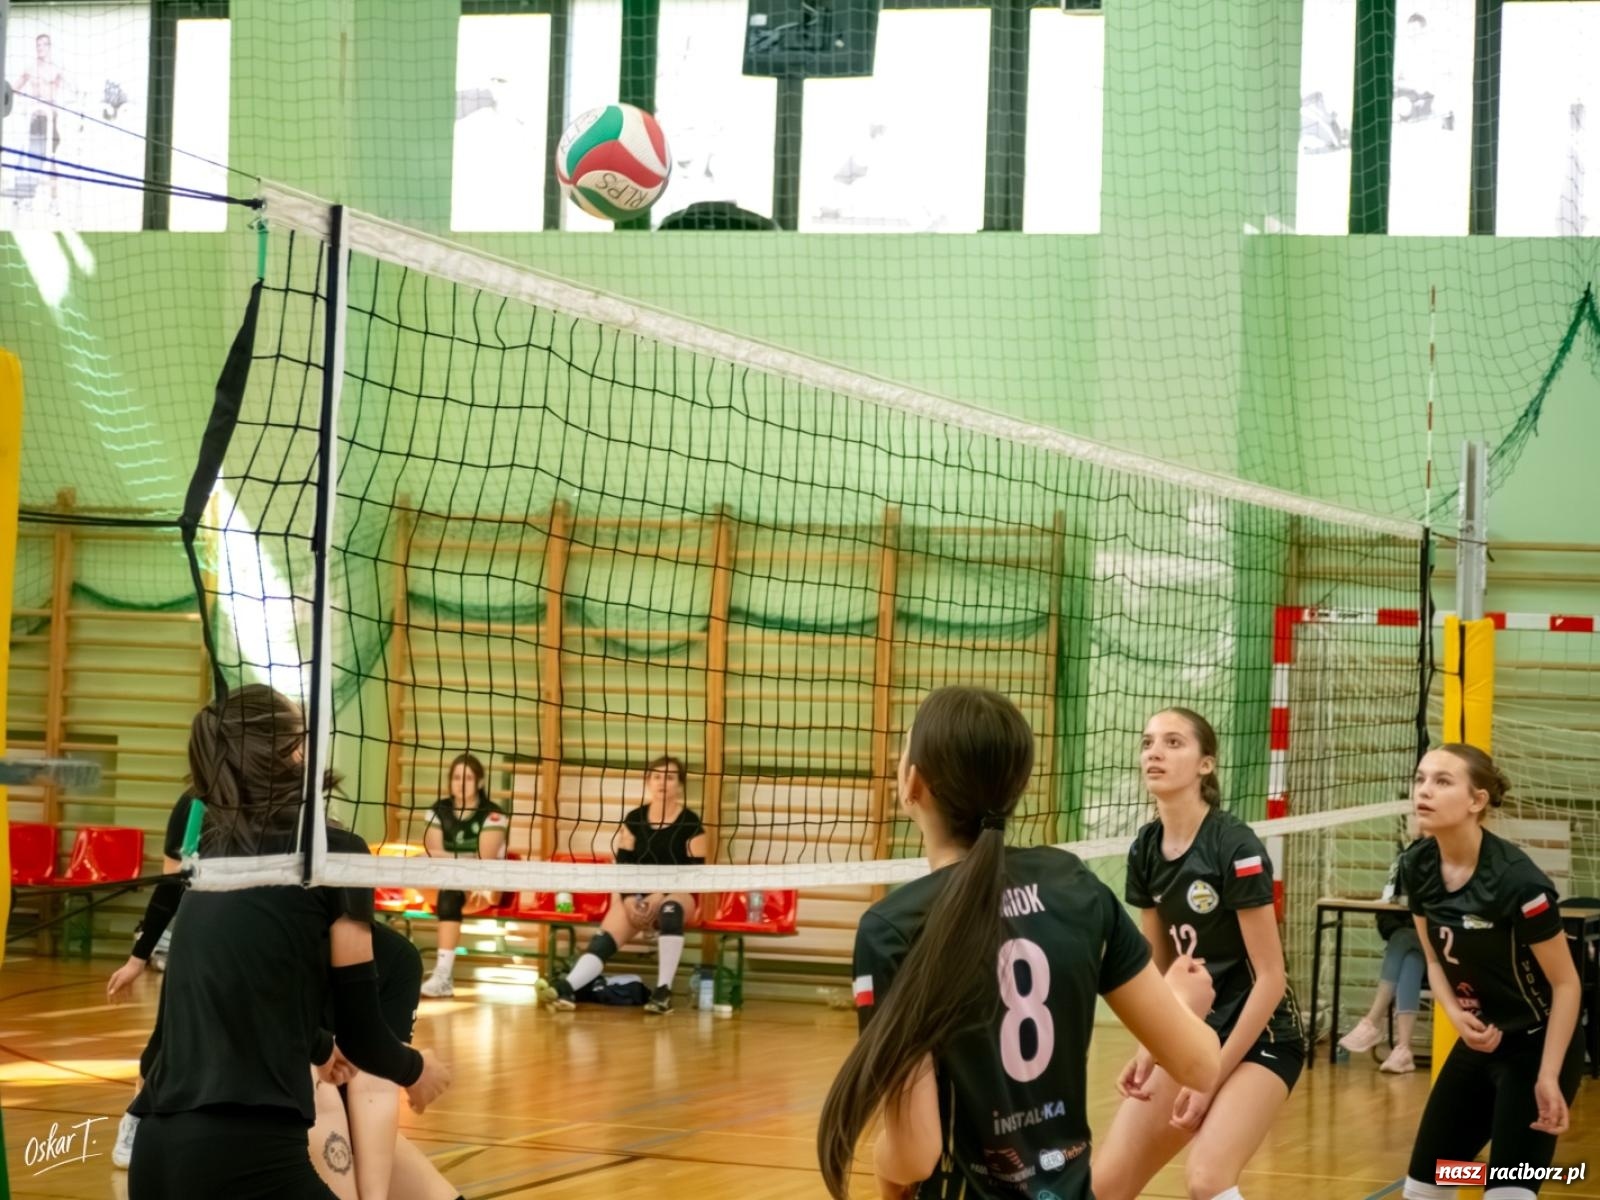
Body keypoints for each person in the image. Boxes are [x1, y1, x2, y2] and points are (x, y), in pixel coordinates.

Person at [816, 687, 1221, 1200]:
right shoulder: (1076, 887)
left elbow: (916, 1155)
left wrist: (881, 1163)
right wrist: (1184, 1000)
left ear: (912, 783)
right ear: (1017, 786)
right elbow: (1199, 1066)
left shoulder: (894, 928)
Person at [127, 684, 452, 1200]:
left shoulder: (213, 858)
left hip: (155, 1153)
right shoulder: (333, 855)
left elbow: (248, 986)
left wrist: (319, 1046)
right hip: (243, 1158)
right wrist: (418, 1071)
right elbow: (364, 1032)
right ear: (292, 753)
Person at [1091, 708, 1304, 1200]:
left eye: (1172, 743)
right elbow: (1158, 970)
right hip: (1194, 1030)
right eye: (1147, 743)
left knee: (1207, 1179)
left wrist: (1211, 1078)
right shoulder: (1145, 849)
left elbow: (1272, 978)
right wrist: (1152, 1046)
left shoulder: (1235, 846)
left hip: (1261, 1034)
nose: (1154, 753)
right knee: (1105, 1185)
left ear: (1206, 764)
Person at [1398, 745, 1582, 1200]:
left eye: (1442, 781)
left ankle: (1511, 1182)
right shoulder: (1416, 865)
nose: (1424, 791)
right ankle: (1498, 1178)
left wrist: (1549, 1075)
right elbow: (1433, 958)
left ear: (1476, 801)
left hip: (1536, 1047)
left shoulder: (1520, 882)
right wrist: (1455, 1015)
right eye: (1420, 779)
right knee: (1426, 1187)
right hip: (1479, 1043)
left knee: (1506, 1194)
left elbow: (1566, 983)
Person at [537, 754, 708, 1015]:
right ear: (648, 782)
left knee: (671, 907)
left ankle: (663, 992)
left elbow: (694, 874)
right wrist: (629, 899)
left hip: (677, 892)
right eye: (657, 776)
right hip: (637, 894)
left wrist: (659, 895)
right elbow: (624, 866)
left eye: (670, 777)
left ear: (680, 785)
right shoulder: (634, 820)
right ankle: (566, 987)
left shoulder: (691, 824)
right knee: (607, 934)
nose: (663, 782)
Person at [309, 920, 462, 1200]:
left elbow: (375, 1087)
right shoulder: (278, 940)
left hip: (339, 1116)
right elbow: (321, 1100)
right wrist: (416, 1070)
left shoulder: (395, 956)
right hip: (271, 1117)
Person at [419, 752, 509, 998]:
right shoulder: (438, 810)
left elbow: (484, 860)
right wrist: (461, 861)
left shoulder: (494, 814)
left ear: (479, 782)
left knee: (450, 888)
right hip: (446, 884)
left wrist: (448, 860)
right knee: (421, 866)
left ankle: (443, 976)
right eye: (456, 777)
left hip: (483, 889)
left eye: (468, 778)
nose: (461, 783)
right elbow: (432, 851)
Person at [1338, 841, 1427, 1073]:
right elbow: (1384, 918)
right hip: (1416, 953)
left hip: (1445, 952)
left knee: (1403, 941)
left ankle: (1372, 1020)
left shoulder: (1440, 866)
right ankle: (1403, 1050)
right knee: (1409, 958)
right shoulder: (1400, 868)